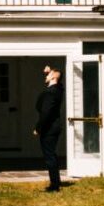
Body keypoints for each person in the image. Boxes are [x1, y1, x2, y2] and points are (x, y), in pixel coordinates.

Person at [34, 64, 65, 192]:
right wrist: (49, 71)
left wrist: (38, 128)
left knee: (49, 156)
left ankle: (54, 186)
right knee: (51, 155)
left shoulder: (51, 93)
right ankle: (56, 182)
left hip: (49, 129)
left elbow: (46, 113)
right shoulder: (58, 90)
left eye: (48, 74)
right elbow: (56, 81)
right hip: (54, 128)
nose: (46, 75)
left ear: (54, 77)